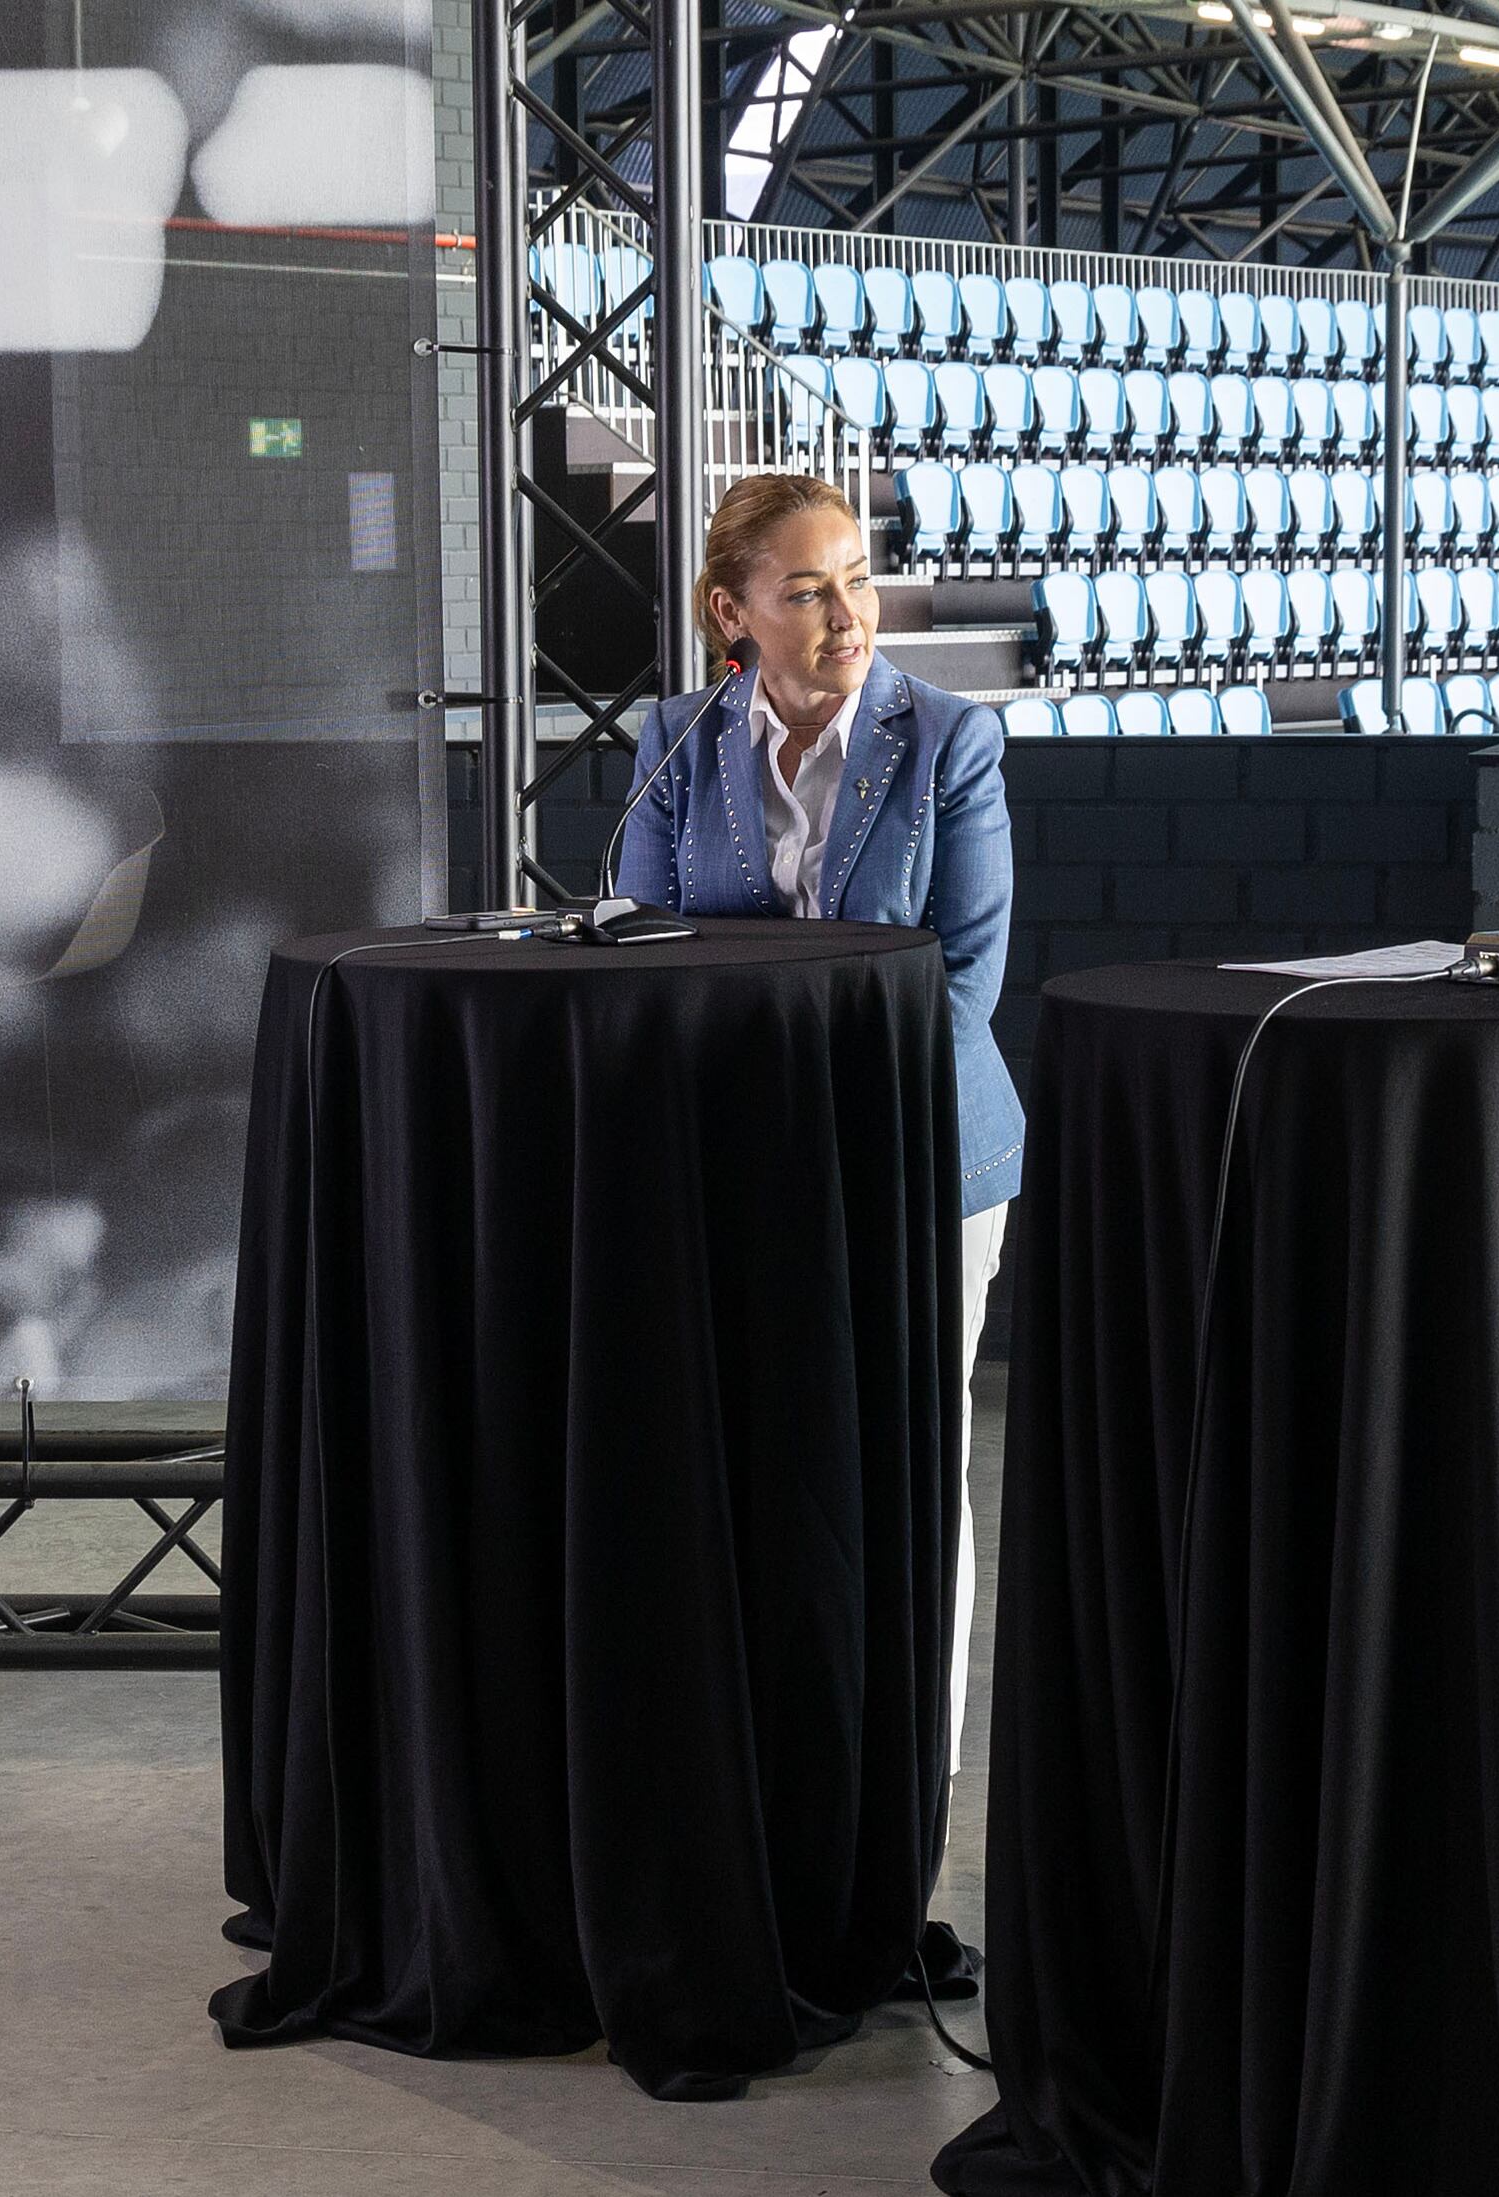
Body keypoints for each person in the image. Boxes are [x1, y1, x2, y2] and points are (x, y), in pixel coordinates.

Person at [615, 470, 1020, 1788]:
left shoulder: (948, 742)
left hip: (916, 1159)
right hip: (732, 1166)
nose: (847, 614)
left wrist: (809, 1108)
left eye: (856, 580)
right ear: (731, 612)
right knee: (742, 1458)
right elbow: (643, 957)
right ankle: (756, 1769)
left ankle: (909, 1779)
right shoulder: (677, 739)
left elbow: (961, 982)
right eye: (805, 590)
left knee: (904, 1465)